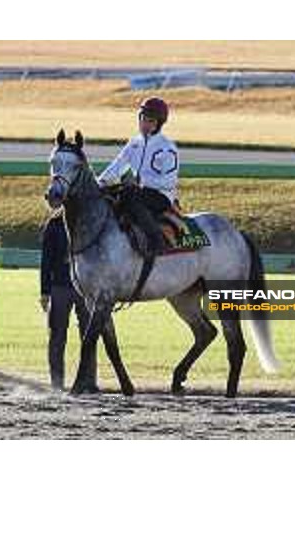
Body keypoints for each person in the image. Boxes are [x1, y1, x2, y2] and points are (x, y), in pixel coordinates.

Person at [97, 97, 179, 257]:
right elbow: (117, 165)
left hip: (161, 196)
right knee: (111, 195)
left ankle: (156, 240)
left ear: (159, 124)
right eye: (142, 119)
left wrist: (142, 181)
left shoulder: (167, 148)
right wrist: (99, 183)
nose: (144, 124)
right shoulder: (134, 143)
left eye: (150, 121)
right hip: (137, 191)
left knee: (129, 195)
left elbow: (169, 182)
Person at [39, 210, 97, 391]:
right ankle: (57, 383)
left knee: (89, 337)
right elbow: (46, 259)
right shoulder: (54, 224)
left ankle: (89, 382)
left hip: (85, 288)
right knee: (57, 336)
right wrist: (45, 291)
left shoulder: (89, 222)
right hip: (60, 287)